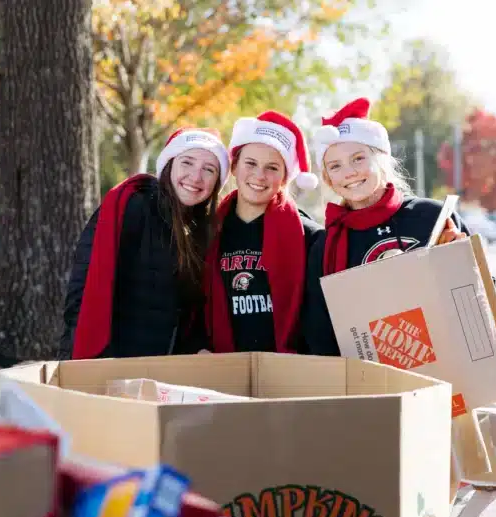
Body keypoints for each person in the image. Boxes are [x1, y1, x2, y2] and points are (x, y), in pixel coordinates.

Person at [302, 97, 470, 356]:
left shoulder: (432, 217)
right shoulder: (325, 247)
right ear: (327, 178)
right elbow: (319, 335)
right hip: (368, 380)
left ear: (381, 158)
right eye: (335, 166)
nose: (349, 172)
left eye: (358, 158)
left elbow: (479, 296)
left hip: (444, 365)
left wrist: (461, 262)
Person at [61, 127, 230, 359]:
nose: (196, 177)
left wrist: (198, 348)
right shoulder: (134, 206)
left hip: (159, 368)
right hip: (111, 361)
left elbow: (185, 313)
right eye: (187, 163)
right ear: (170, 165)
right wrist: (89, 360)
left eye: (208, 169)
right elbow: (84, 287)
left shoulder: (202, 232)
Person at [203, 111, 323, 353]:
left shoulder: (309, 237)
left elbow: (318, 320)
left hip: (285, 372)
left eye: (272, 167)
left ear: (285, 177)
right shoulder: (206, 232)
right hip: (220, 368)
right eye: (250, 163)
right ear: (234, 167)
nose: (259, 176)